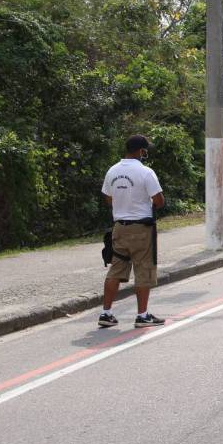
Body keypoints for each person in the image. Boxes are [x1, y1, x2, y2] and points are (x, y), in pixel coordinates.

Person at [98, 135, 166, 329]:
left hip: (119, 228)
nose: (146, 153)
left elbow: (109, 199)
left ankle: (106, 313)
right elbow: (159, 201)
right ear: (140, 151)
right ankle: (142, 316)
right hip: (141, 228)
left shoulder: (112, 171)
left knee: (116, 269)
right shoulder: (146, 172)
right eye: (145, 150)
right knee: (143, 269)